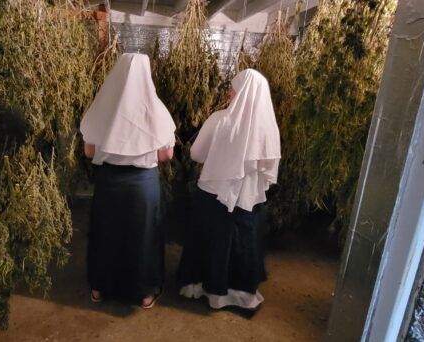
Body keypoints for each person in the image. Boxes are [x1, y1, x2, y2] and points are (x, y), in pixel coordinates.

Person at [177, 69, 281, 312]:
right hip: (248, 200)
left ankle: (205, 288)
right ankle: (241, 295)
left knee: (210, 240)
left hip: (213, 193)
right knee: (242, 244)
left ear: (242, 91)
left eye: (233, 88)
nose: (229, 92)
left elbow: (196, 154)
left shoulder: (219, 119)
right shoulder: (269, 129)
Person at [80, 53, 176, 309]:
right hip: (143, 185)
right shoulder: (157, 109)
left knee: (106, 234)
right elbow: (166, 154)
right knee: (143, 235)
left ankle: (100, 289)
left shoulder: (102, 106)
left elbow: (89, 152)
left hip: (109, 183)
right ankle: (143, 293)